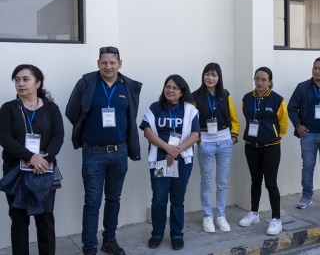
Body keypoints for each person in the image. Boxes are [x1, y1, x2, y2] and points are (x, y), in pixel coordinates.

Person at [65, 46, 142, 255]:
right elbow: (72, 112)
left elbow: (130, 117)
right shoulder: (87, 83)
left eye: (112, 62)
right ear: (98, 63)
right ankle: (89, 247)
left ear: (120, 63)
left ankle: (109, 240)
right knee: (92, 202)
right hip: (93, 154)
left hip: (119, 153)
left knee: (113, 199)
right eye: (104, 62)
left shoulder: (128, 86)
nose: (108, 66)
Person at [0, 64, 64, 255]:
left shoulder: (51, 109)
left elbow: (58, 136)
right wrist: (31, 157)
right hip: (15, 172)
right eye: (17, 79)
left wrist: (45, 160)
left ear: (38, 83)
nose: (21, 83)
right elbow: (4, 137)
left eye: (26, 79)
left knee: (45, 219)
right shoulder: (8, 108)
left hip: (44, 170)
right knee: (19, 221)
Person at [140, 74, 200, 251]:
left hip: (182, 162)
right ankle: (157, 233)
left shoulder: (190, 110)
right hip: (160, 161)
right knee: (159, 199)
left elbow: (195, 135)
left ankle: (176, 234)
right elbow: (147, 132)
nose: (170, 90)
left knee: (177, 199)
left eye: (175, 88)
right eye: (168, 86)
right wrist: (168, 148)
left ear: (182, 92)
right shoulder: (155, 107)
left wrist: (176, 151)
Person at [239, 67, 288, 236]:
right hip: (251, 146)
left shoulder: (278, 100)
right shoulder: (247, 98)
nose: (259, 83)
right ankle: (254, 213)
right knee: (255, 180)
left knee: (271, 183)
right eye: (257, 79)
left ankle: (276, 219)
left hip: (271, 148)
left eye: (263, 80)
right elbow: (246, 117)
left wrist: (271, 136)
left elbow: (283, 125)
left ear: (270, 82)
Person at [192, 63, 240, 233]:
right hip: (205, 142)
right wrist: (198, 141)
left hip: (225, 142)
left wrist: (233, 136)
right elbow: (193, 122)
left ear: (219, 77)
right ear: (203, 76)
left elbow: (234, 118)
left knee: (222, 182)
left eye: (213, 75)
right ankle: (207, 216)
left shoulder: (225, 95)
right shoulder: (195, 96)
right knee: (206, 181)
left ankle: (220, 215)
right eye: (207, 74)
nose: (210, 78)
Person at [287, 57, 320, 209]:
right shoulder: (303, 87)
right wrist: (298, 125)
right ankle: (307, 196)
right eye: (315, 68)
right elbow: (292, 107)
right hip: (309, 134)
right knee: (308, 166)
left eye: (319, 69)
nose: (316, 71)